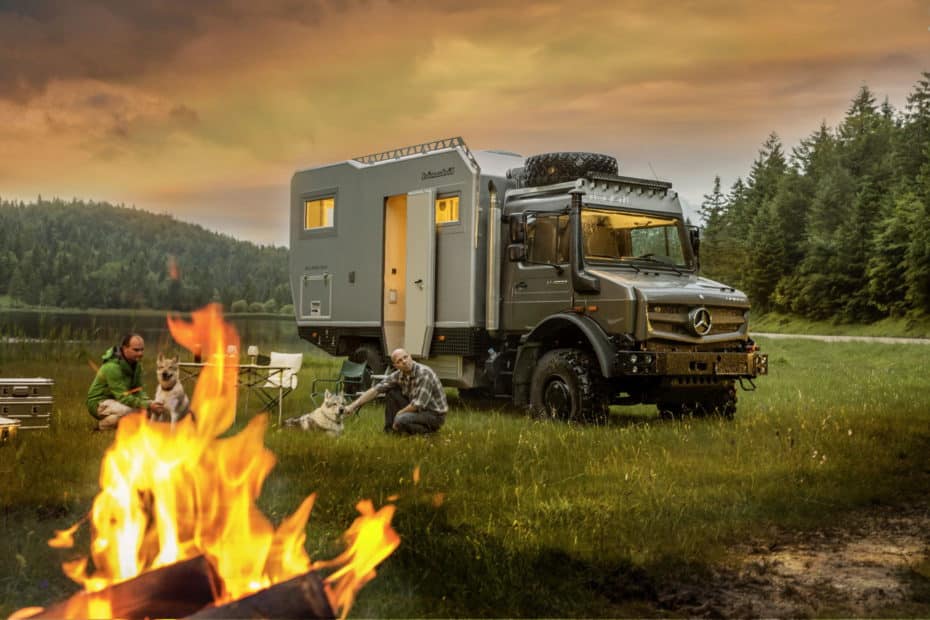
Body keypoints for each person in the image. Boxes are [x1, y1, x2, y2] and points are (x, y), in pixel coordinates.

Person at [344, 348, 447, 434]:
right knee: (391, 392)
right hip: (419, 411)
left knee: (401, 419)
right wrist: (352, 406)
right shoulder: (399, 375)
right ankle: (390, 430)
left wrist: (398, 414)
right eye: (399, 361)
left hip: (434, 415)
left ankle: (428, 432)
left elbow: (417, 405)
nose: (404, 362)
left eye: (405, 357)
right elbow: (376, 390)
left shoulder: (424, 374)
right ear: (396, 366)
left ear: (410, 356)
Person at [86, 333, 165, 430]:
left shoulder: (137, 366)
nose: (140, 353)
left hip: (118, 400)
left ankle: (121, 423)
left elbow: (137, 390)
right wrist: (148, 405)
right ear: (125, 348)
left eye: (142, 350)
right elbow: (123, 397)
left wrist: (150, 403)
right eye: (136, 350)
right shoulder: (112, 367)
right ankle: (101, 426)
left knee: (154, 409)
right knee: (130, 411)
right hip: (100, 402)